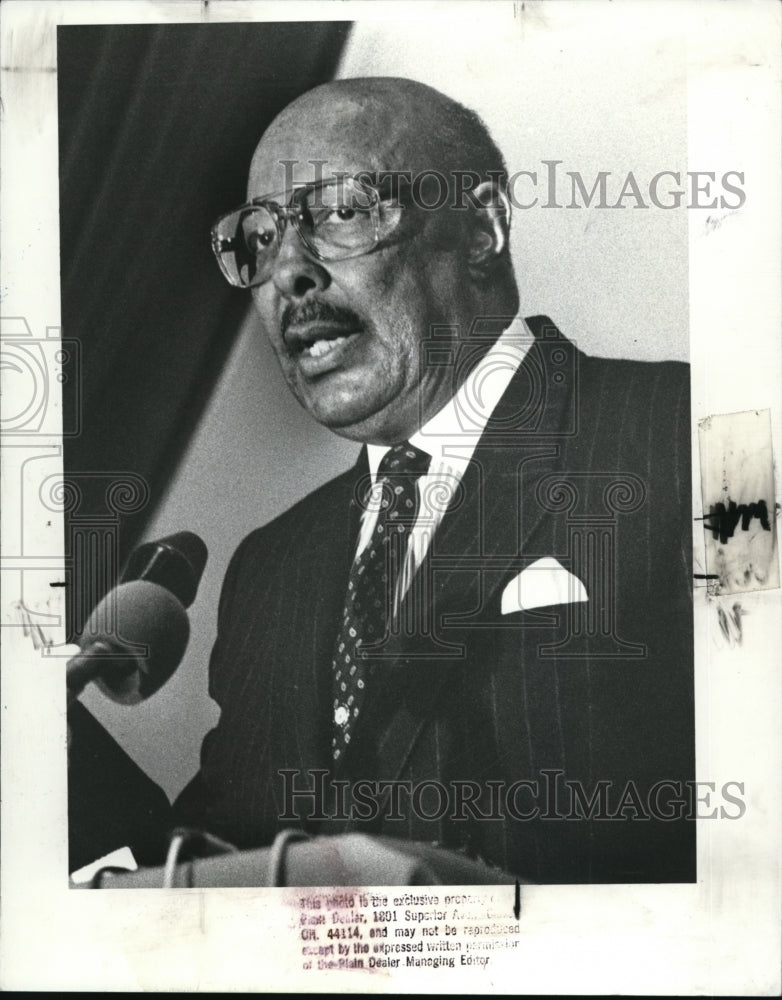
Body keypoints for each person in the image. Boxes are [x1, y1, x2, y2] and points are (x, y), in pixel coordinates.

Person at [174, 77, 695, 884]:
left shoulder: (685, 435)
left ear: (480, 225)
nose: (288, 275)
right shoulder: (269, 569)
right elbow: (222, 856)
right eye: (261, 239)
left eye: (341, 211)